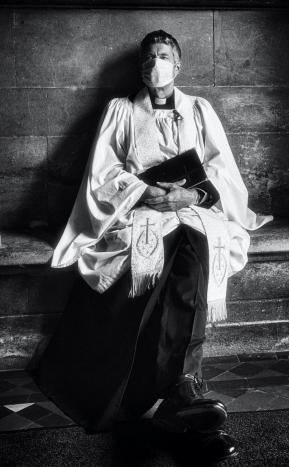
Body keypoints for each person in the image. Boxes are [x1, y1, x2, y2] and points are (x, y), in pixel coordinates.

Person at [37, 29, 272, 462]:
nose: (155, 63)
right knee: (177, 248)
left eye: (164, 55)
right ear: (140, 67)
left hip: (191, 209)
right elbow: (103, 175)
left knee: (198, 240)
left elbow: (223, 172)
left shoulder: (200, 110)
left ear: (178, 65)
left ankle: (179, 396)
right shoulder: (121, 111)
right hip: (139, 211)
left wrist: (192, 195)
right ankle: (184, 392)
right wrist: (143, 192)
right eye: (148, 57)